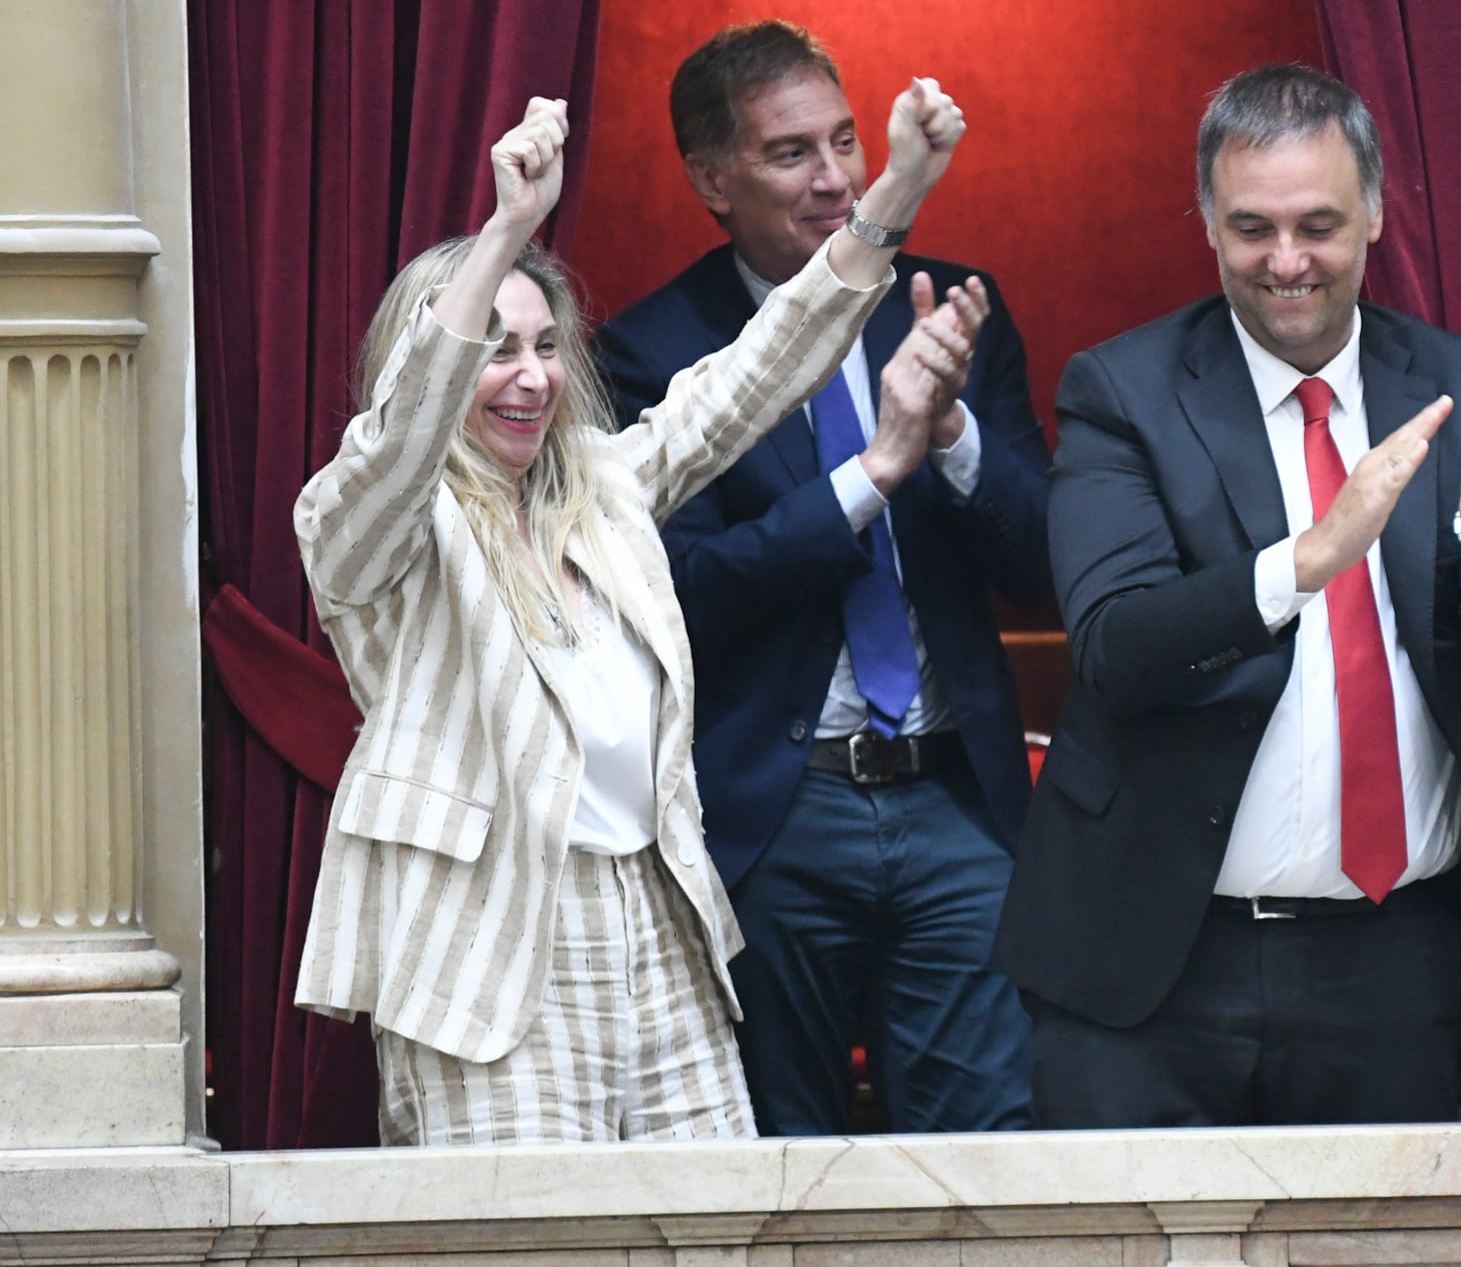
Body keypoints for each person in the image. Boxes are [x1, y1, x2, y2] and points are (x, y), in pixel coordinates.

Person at [291, 82, 981, 1144]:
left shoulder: (602, 491)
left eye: (545, 347)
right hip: (499, 944)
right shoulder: (377, 530)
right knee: (526, 1247)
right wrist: (508, 230)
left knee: (709, 1235)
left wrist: (893, 195)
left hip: (658, 924)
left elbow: (750, 376)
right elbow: (398, 442)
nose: (528, 377)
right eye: (495, 349)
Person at [994, 63, 1461, 1127]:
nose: (1287, 261)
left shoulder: (1457, 379)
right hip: (1158, 957)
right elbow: (1116, 646)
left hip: (1392, 957)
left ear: (1374, 213)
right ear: (1208, 225)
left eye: (1319, 223)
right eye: (1251, 228)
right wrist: (1311, 555)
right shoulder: (1121, 390)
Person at [595, 21, 1051, 1135]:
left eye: (846, 142)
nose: (837, 179)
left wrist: (947, 437)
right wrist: (869, 472)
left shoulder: (949, 308)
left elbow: (1046, 562)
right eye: (791, 153)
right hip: (773, 811)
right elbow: (684, 593)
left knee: (986, 1155)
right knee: (776, 1158)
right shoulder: (656, 352)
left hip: (956, 799)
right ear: (711, 178)